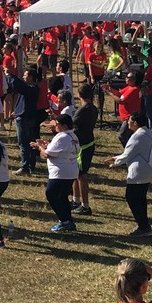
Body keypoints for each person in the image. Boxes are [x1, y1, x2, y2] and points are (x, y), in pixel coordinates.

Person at [106, 110, 152, 237]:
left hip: (139, 173)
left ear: (134, 123)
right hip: (146, 171)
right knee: (140, 199)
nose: (128, 122)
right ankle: (144, 225)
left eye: (129, 120)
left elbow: (128, 154)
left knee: (133, 198)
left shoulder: (137, 136)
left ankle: (143, 226)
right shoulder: (146, 132)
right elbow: (132, 152)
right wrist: (117, 158)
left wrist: (116, 163)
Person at [31, 112, 79, 233]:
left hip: (61, 172)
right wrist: (47, 144)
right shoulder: (72, 136)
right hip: (71, 170)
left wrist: (39, 147)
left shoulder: (62, 136)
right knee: (62, 196)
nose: (55, 126)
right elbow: (59, 149)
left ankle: (64, 221)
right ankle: (68, 220)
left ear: (63, 126)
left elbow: (48, 154)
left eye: (57, 124)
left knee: (51, 194)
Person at [71, 83, 98, 215]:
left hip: (84, 146)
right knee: (75, 174)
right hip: (86, 143)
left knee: (81, 175)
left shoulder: (83, 109)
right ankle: (76, 200)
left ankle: (85, 206)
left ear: (79, 95)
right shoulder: (93, 108)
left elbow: (72, 124)